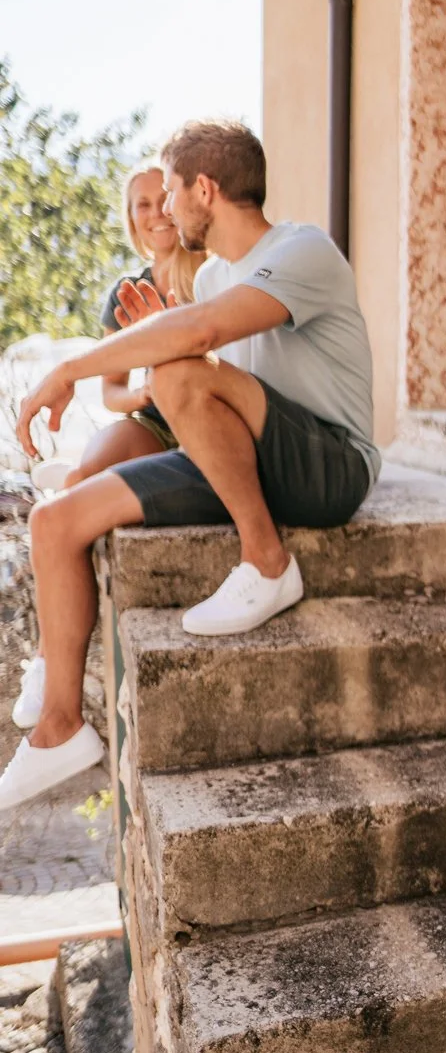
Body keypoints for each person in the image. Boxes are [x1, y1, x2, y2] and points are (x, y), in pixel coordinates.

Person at [1, 120, 380, 812]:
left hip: (329, 465)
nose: (167, 209)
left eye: (172, 191)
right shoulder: (209, 276)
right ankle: (59, 728)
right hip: (248, 458)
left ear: (205, 189)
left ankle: (267, 561)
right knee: (55, 522)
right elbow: (205, 380)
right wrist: (163, 344)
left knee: (178, 369)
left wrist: (74, 369)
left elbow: (202, 340)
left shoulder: (302, 249)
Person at [12, 165, 206, 729]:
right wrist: (150, 390)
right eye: (140, 204)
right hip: (154, 419)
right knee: (79, 482)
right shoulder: (125, 292)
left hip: (205, 416)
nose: (154, 213)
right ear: (131, 218)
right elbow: (113, 392)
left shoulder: (208, 271)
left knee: (80, 484)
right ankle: (46, 660)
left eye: (160, 199)